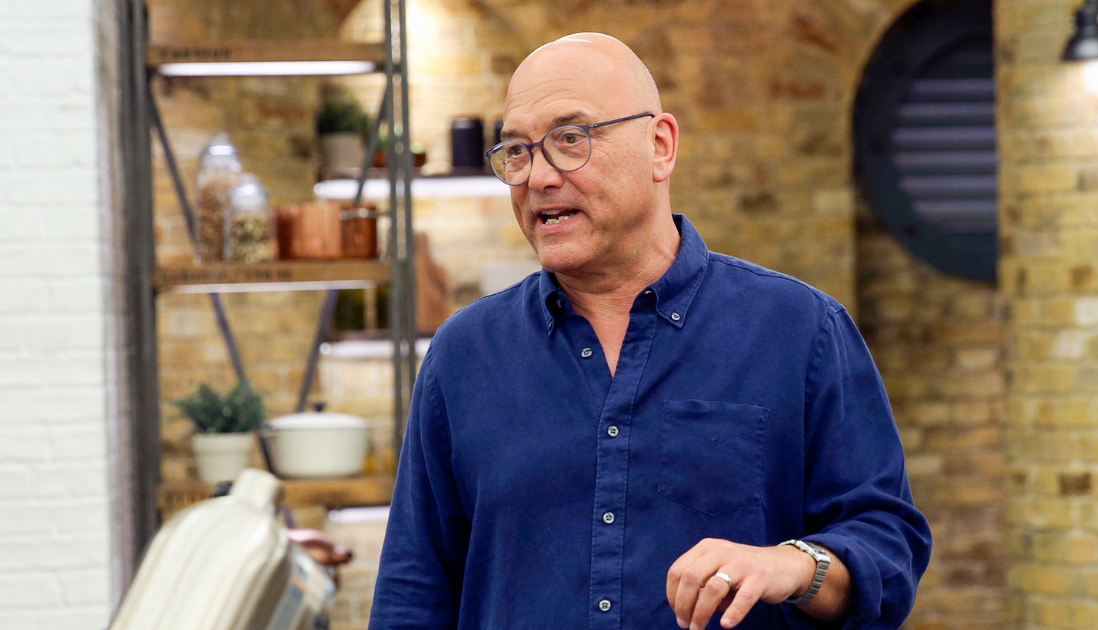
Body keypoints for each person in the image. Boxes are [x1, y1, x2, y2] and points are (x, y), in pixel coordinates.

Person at [369, 33, 931, 630]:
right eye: (516, 150)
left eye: (570, 138)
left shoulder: (802, 332)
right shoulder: (463, 356)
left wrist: (793, 564)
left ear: (660, 146)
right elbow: (413, 594)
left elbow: (887, 552)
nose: (538, 176)